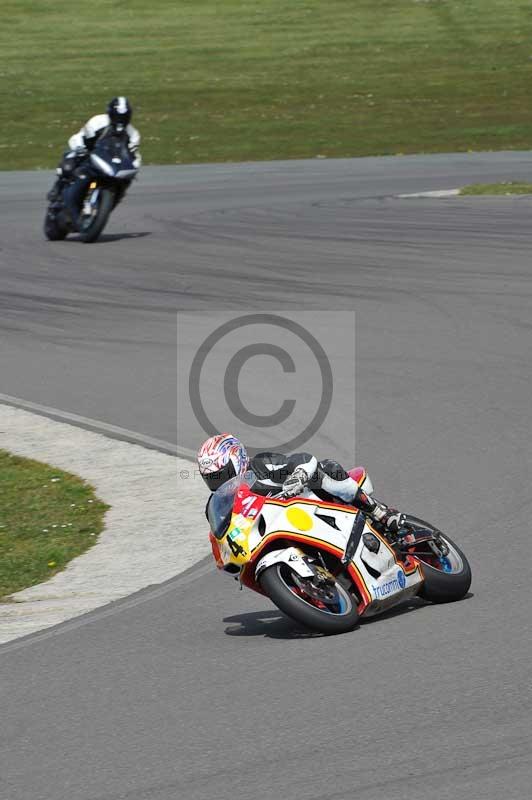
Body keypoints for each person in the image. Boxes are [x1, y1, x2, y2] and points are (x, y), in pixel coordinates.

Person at [197, 433, 406, 535]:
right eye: (211, 478)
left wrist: (296, 478)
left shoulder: (260, 466)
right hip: (279, 531)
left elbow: (303, 459)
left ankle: (381, 513)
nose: (218, 482)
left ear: (238, 459)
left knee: (326, 469)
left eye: (222, 474)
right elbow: (222, 537)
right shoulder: (217, 507)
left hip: (311, 504)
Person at [47, 96, 141, 202]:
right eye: (117, 117)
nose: (120, 121)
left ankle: (115, 198)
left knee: (127, 179)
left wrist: (135, 167)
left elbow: (134, 156)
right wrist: (79, 148)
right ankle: (58, 186)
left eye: (123, 117)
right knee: (68, 164)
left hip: (111, 165)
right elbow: (79, 137)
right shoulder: (97, 122)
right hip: (91, 156)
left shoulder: (133, 135)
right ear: (110, 114)